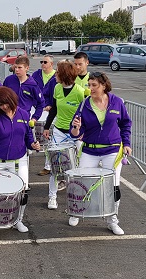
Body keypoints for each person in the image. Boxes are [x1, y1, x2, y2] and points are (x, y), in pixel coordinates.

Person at [68, 72, 132, 235]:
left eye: (94, 85)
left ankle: (112, 220)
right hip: (89, 149)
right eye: (89, 85)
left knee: (113, 185)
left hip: (112, 150)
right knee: (82, 182)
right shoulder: (84, 105)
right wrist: (76, 128)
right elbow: (74, 133)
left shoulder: (116, 102)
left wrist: (127, 143)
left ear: (104, 85)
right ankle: (77, 212)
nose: (91, 89)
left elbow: (125, 123)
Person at [0, 86, 42, 232]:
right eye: (0, 104)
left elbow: (28, 137)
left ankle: (18, 220)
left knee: (23, 192)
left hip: (18, 161)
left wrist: (33, 144)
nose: (3, 107)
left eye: (5, 103)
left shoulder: (23, 115)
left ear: (12, 99)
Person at [42, 60, 84, 210]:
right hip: (59, 132)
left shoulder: (79, 91)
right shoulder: (57, 88)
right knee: (55, 166)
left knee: (77, 168)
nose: (55, 75)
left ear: (65, 75)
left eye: (58, 72)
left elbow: (85, 113)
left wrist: (82, 132)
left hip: (75, 135)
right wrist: (47, 127)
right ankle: (52, 197)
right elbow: (53, 110)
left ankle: (77, 199)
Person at [32, 55, 56, 176]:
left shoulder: (57, 77)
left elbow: (56, 95)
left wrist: (50, 106)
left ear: (51, 64)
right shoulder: (36, 75)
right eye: (41, 61)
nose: (42, 64)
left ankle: (48, 166)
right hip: (38, 109)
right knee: (31, 133)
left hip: (51, 110)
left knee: (50, 140)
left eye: (45, 62)